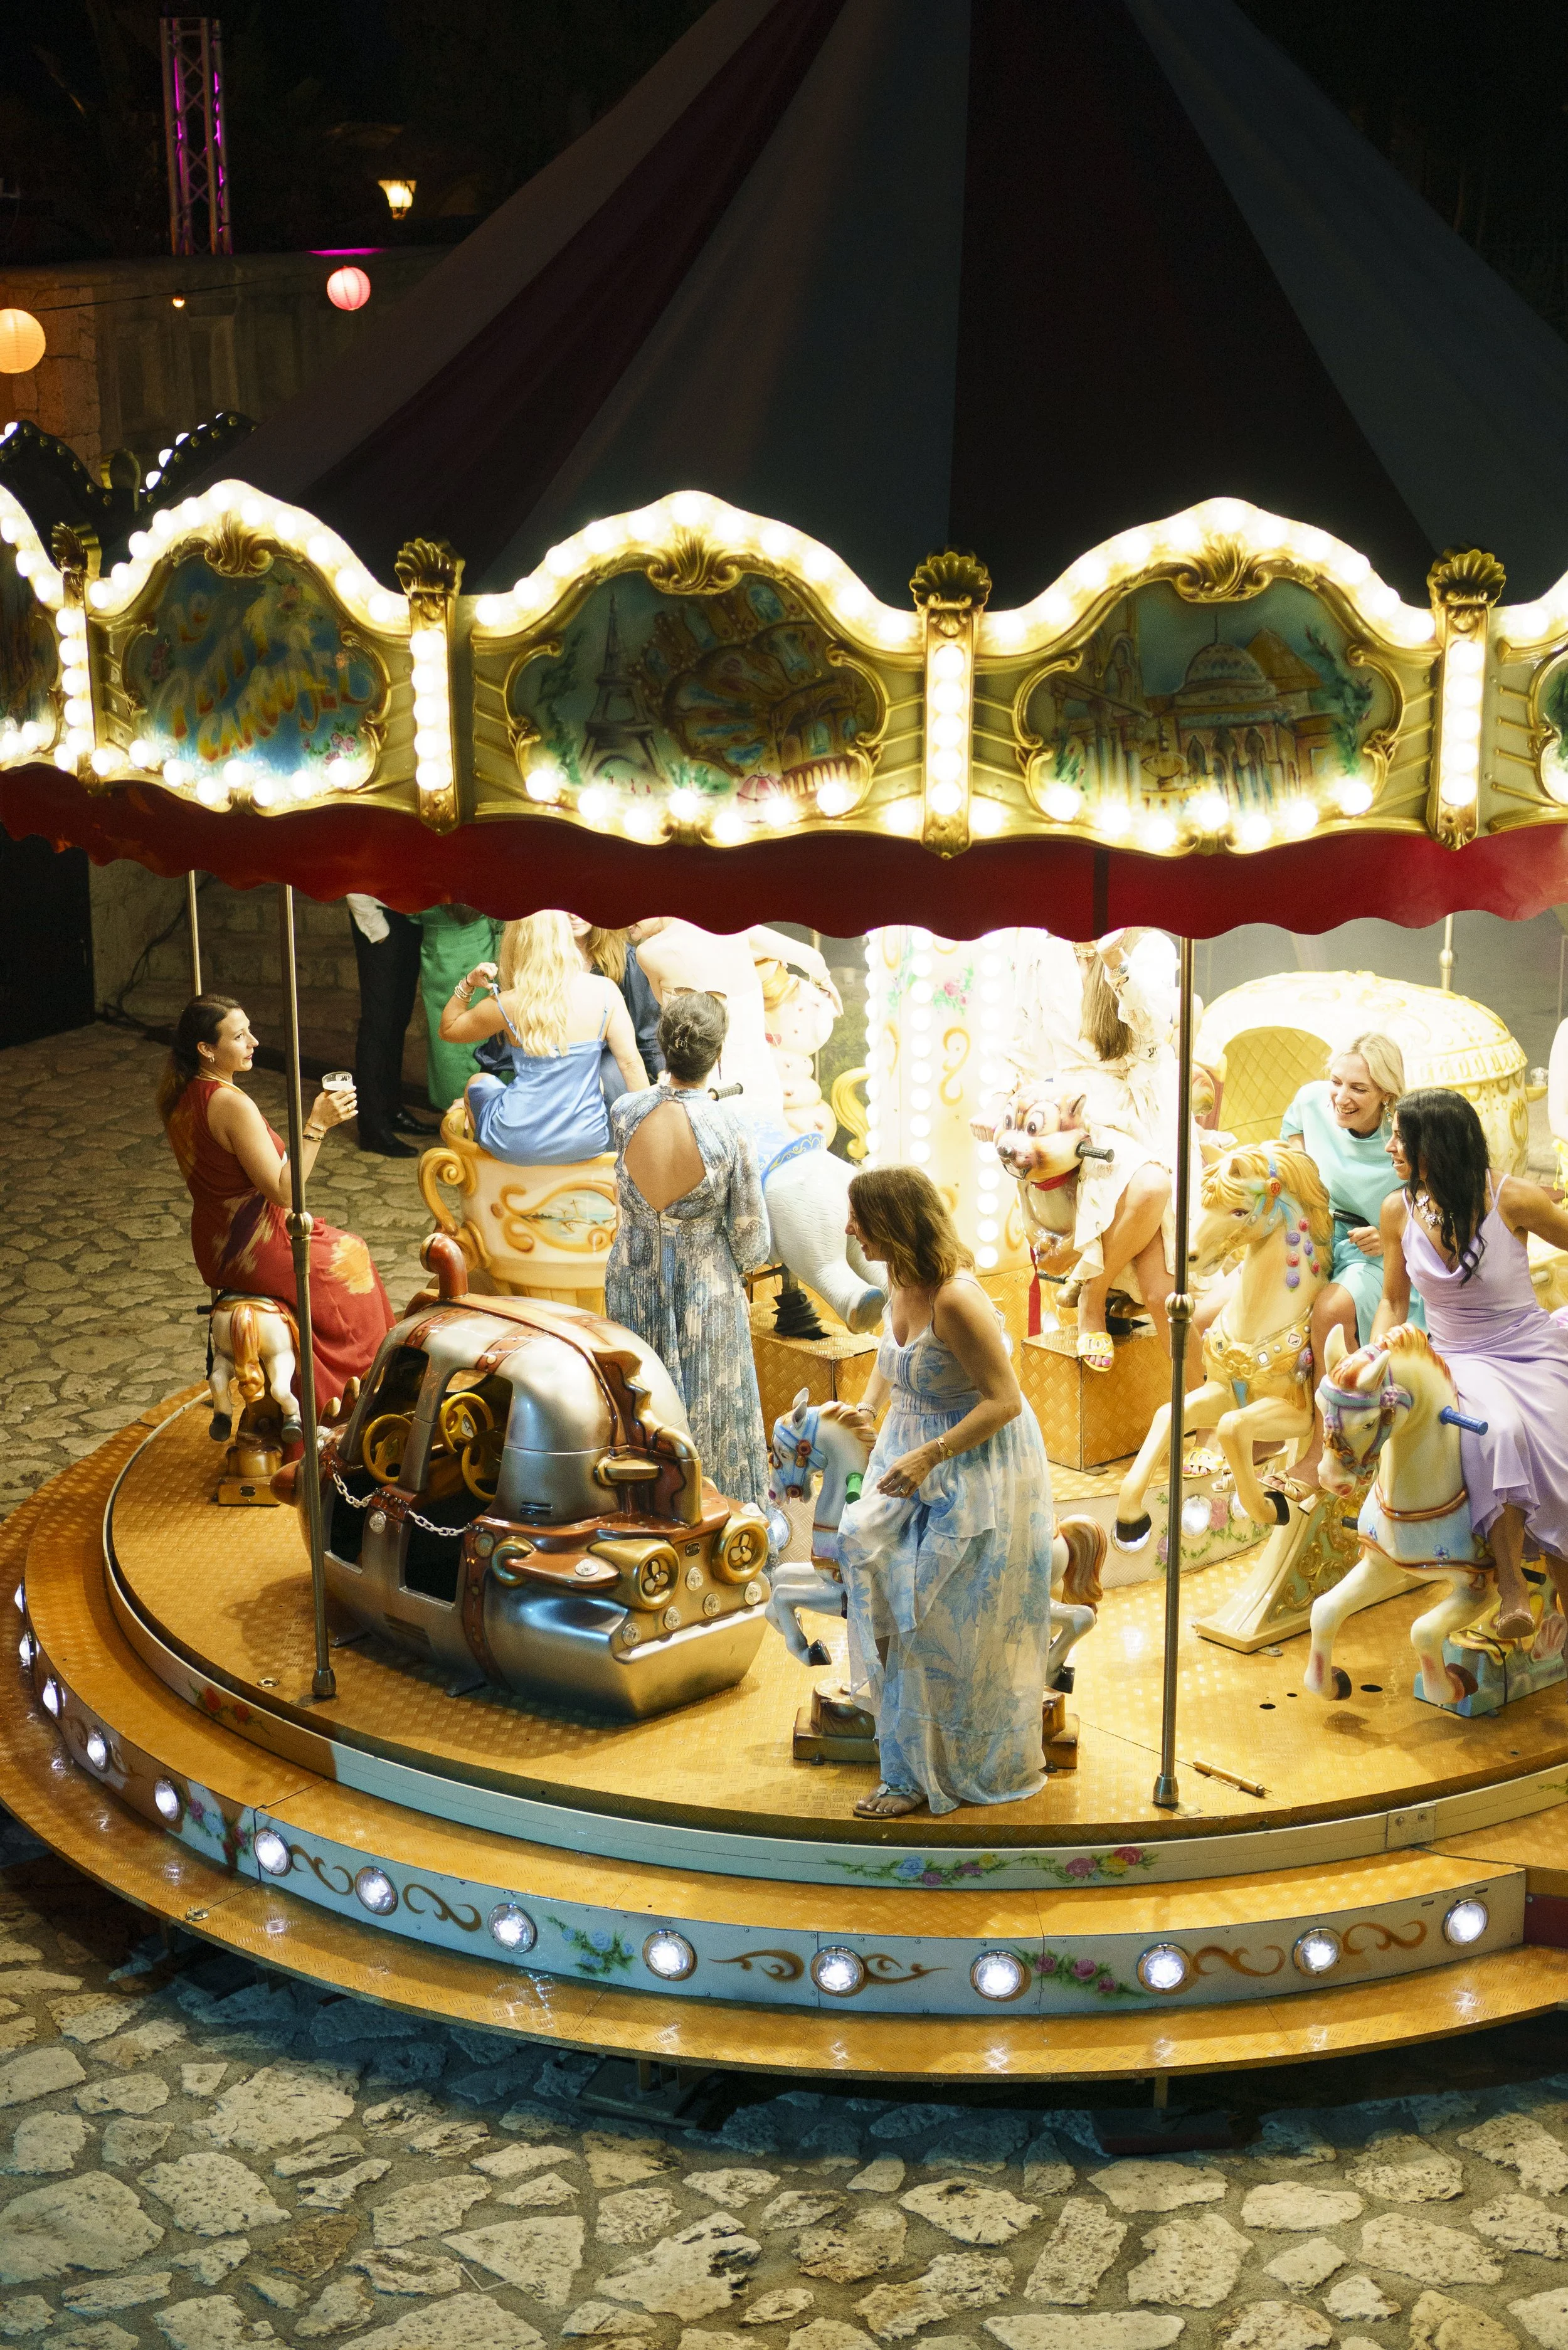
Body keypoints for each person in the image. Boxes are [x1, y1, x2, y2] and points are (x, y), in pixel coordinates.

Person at [832, 1166, 1056, 1819]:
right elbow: (887, 1360)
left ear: (894, 1223)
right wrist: (867, 1410)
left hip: (968, 1459)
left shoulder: (957, 1300)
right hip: (906, 1449)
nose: (849, 1229)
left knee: (932, 1620)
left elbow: (1005, 1401)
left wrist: (932, 1454)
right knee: (882, 1590)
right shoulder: (898, 1277)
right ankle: (903, 1760)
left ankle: (933, 1771)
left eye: (858, 1218)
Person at [1370, 1087, 1568, 1639]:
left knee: (1555, 1439)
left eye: (1401, 1138)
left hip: (1528, 1345)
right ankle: (1511, 1587)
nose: (1390, 1148)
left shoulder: (1514, 1198)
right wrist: (1373, 1357)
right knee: (1498, 1429)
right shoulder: (1397, 1210)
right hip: (1457, 1354)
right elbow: (1392, 1300)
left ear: (1435, 1145)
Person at [158, 993, 395, 1431]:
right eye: (239, 1035)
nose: (254, 1041)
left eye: (249, 1029)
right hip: (253, 1244)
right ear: (206, 1050)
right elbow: (285, 1191)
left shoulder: (183, 1094)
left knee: (343, 1246)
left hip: (217, 1238)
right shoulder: (230, 1104)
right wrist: (318, 1125)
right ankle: (356, 1405)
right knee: (351, 1258)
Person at [983, 926, 1184, 1369]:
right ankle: (1094, 1300)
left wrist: (1117, 965)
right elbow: (1022, 1043)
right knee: (1150, 1191)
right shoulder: (1043, 949)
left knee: (1163, 1289)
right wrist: (999, 1099)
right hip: (1072, 1106)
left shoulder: (1149, 944)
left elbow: (1154, 1031)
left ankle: (1195, 1424)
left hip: (1138, 1099)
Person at [605, 992, 771, 1510]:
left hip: (632, 1281)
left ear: (662, 1046)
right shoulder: (730, 1129)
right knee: (711, 1413)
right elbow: (752, 1242)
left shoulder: (625, 1112)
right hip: (705, 1294)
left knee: (639, 1407)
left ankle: (642, 1512)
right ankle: (720, 1523)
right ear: (718, 1056)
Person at [439, 911, 647, 1165]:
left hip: (516, 1142)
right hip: (587, 1140)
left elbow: (448, 1030)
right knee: (599, 1083)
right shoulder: (605, 991)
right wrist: (644, 1136)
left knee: (478, 1082)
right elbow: (632, 1065)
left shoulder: (509, 1003)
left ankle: (496, 1175)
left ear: (521, 944)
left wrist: (468, 984)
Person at [346, 894, 421, 1158]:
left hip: (408, 920)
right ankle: (372, 1128)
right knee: (377, 1025)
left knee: (398, 1021)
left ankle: (392, 1111)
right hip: (379, 922)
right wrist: (377, 929)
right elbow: (353, 879)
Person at [415, 902, 503, 1113]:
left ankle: (456, 1112)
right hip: (474, 943)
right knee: (481, 1030)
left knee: (449, 1036)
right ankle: (480, 1111)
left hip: (436, 948)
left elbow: (410, 911)